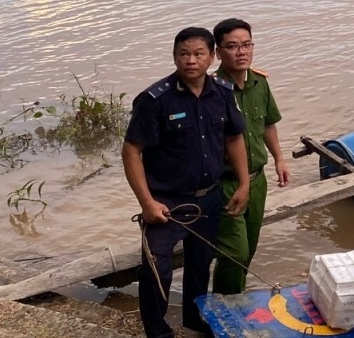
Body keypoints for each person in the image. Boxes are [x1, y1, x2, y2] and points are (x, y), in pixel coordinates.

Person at [123, 27, 249, 338]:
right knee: (157, 270)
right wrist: (147, 202)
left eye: (198, 54)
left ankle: (195, 320)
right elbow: (131, 151)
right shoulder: (156, 99)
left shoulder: (222, 92)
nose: (191, 61)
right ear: (175, 56)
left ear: (212, 56)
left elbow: (234, 138)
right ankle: (157, 329)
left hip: (209, 198)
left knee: (200, 264)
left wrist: (244, 184)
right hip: (165, 202)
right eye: (183, 54)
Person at [211, 18, 290, 295]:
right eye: (232, 46)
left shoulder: (259, 82)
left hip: (258, 181)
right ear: (218, 53)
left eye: (246, 45)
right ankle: (225, 304)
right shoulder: (210, 91)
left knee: (250, 247)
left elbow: (267, 123)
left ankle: (235, 298)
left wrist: (279, 158)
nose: (241, 52)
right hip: (226, 183)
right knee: (235, 251)